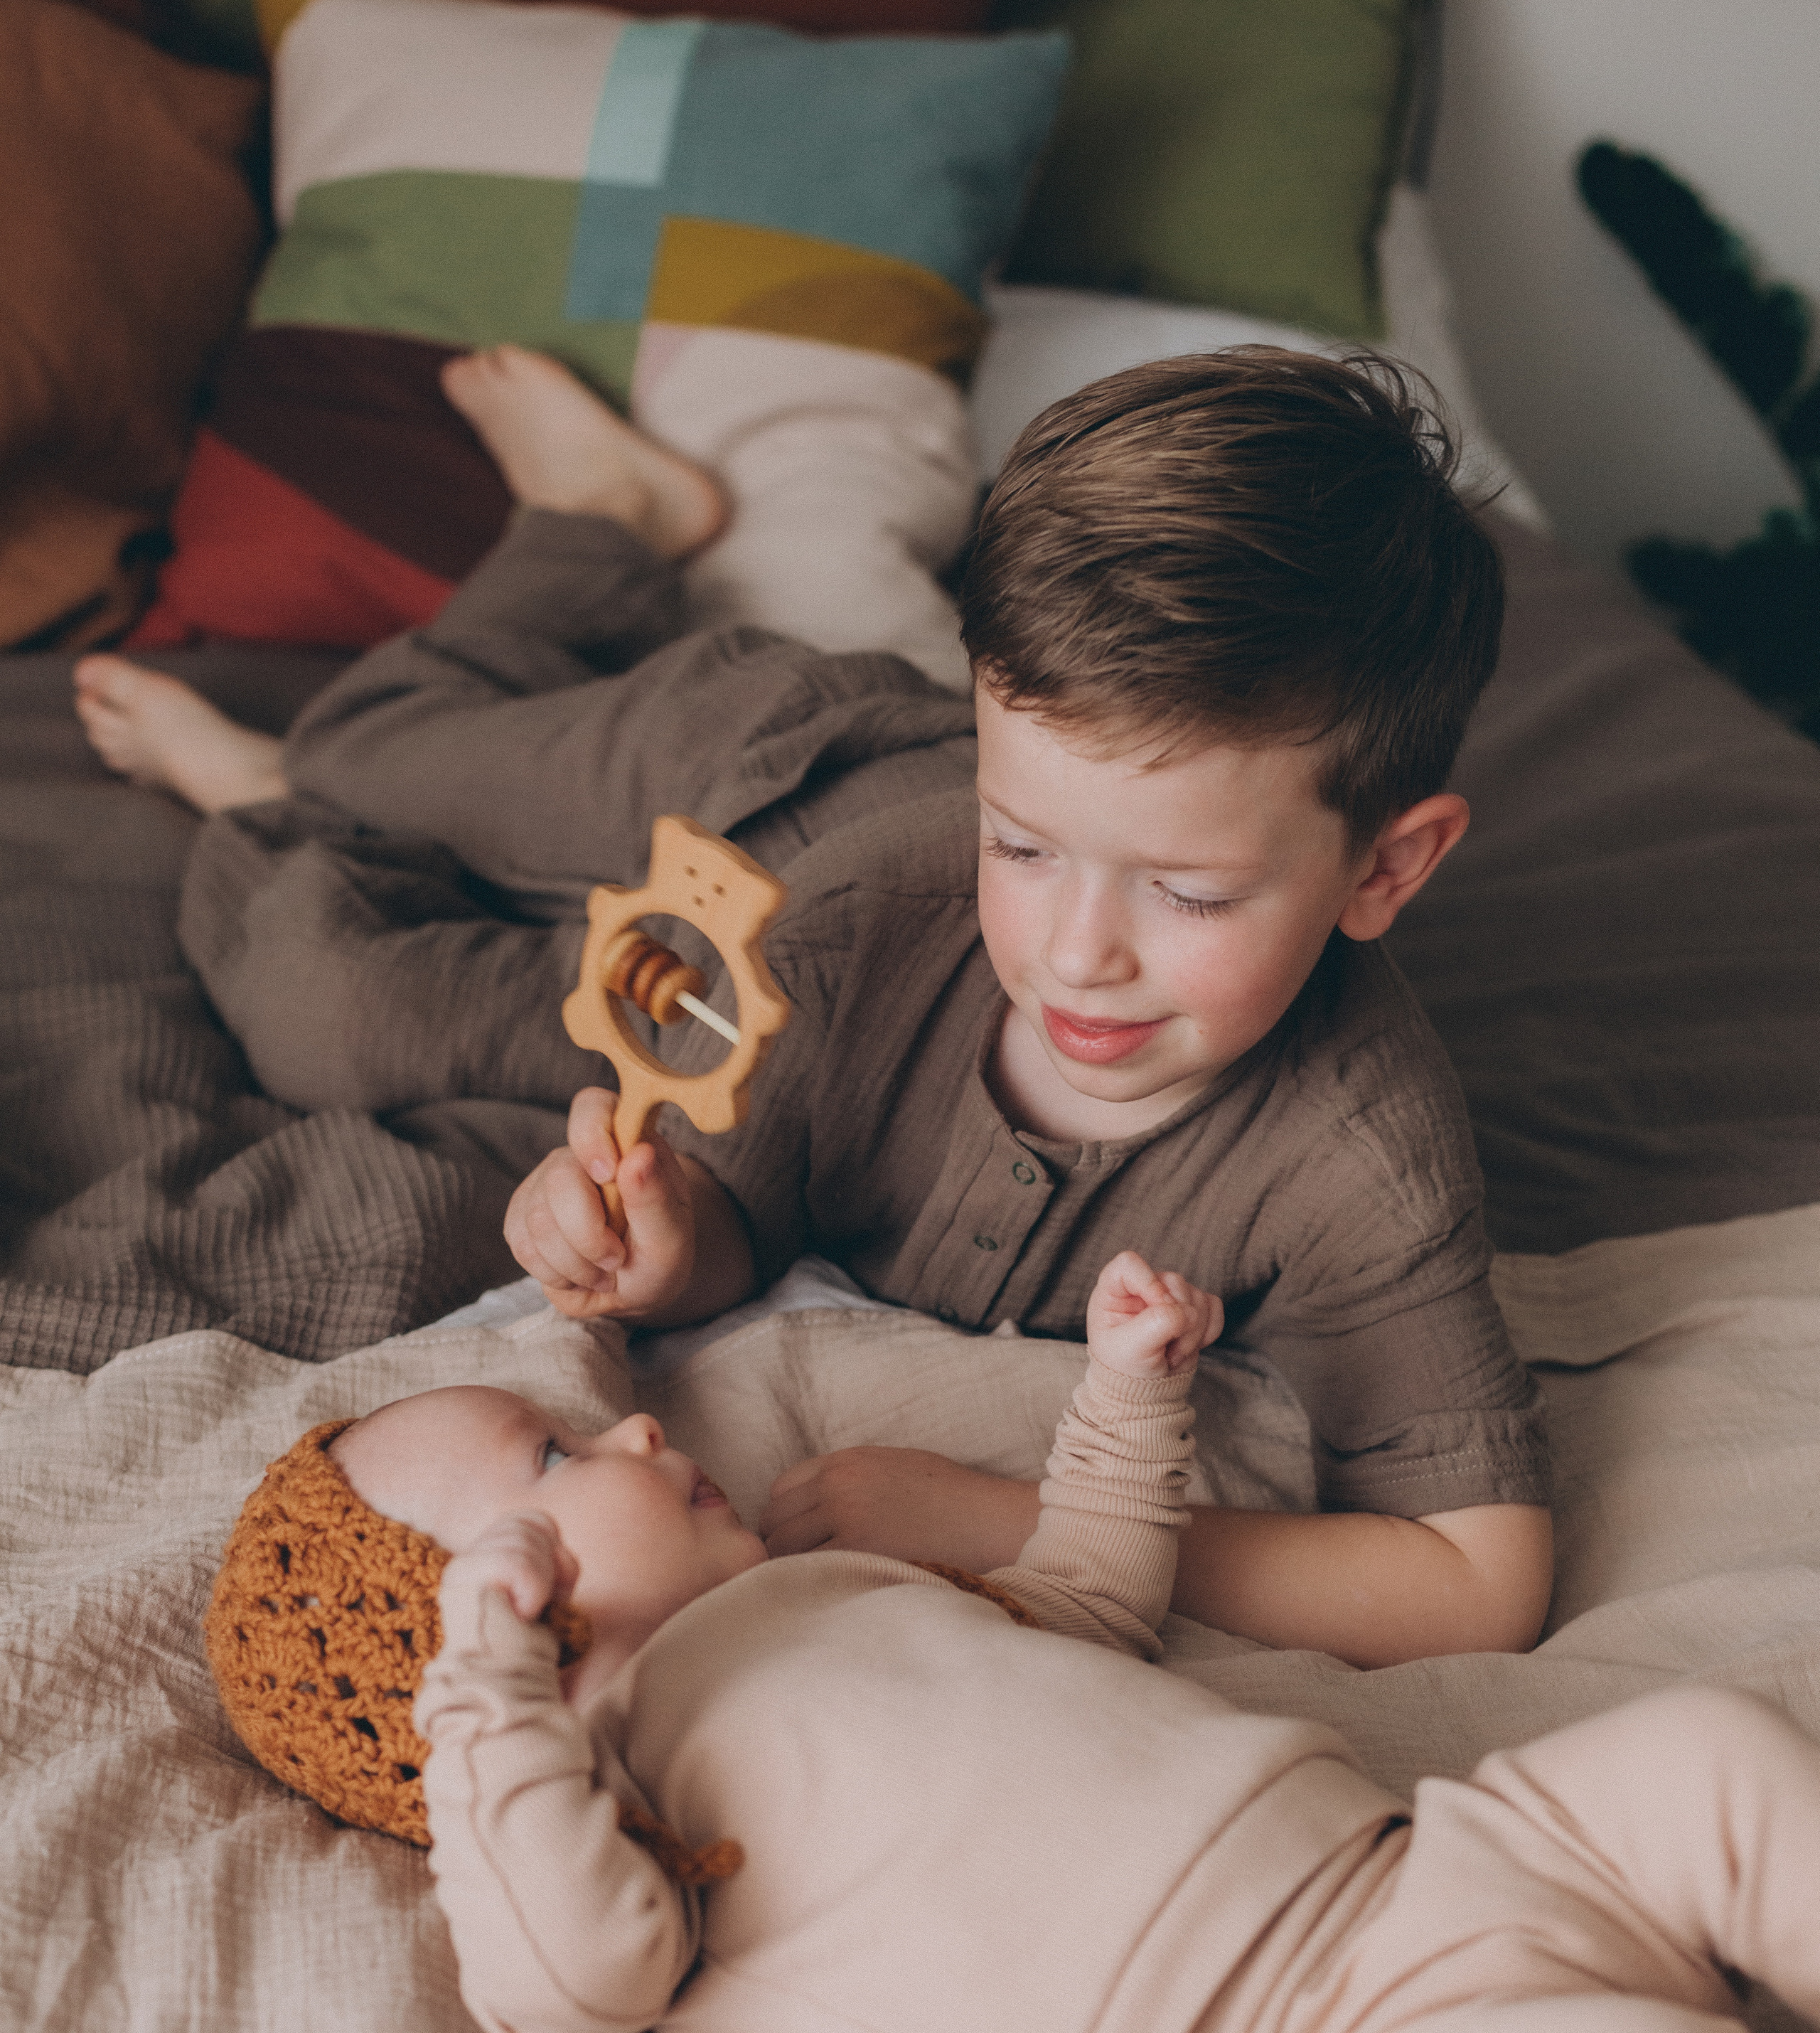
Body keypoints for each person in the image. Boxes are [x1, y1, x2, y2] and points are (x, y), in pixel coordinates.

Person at [77, 341, 1552, 1666]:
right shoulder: (871, 918)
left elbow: (1474, 1584)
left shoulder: (1357, 1158)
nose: (1075, 953)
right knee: (361, 747)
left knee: (330, 1006)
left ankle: (265, 809)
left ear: (1386, 868)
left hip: (727, 989)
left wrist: (986, 1504)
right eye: (1021, 845)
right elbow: (750, 1191)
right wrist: (686, 1238)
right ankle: (596, 525)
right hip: (772, 775)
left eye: (1190, 892)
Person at [216, 1246, 1820, 2033]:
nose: (635, 1427)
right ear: (480, 1606)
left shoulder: (826, 1593)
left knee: (1713, 1756)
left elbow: (1081, 1603)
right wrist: (489, 1698)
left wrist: (1126, 1409)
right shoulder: (612, 1797)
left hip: (1420, 1868)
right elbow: (565, 1980)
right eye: (553, 1456)